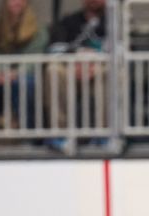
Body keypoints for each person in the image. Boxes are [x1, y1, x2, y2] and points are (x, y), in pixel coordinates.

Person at [0, 0, 49, 130]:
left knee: (24, 83)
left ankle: (29, 135)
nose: (16, 2)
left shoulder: (38, 27)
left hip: (26, 74)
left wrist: (16, 73)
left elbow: (35, 55)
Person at [44, 0, 107, 142]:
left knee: (110, 71)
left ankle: (104, 133)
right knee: (53, 70)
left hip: (99, 68)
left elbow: (124, 50)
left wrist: (94, 61)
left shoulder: (115, 22)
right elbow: (53, 49)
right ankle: (59, 133)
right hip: (70, 69)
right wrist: (74, 60)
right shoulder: (68, 21)